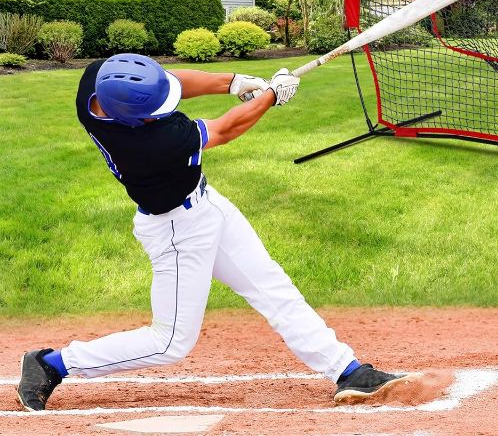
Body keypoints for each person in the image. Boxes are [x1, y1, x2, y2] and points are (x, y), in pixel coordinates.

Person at [16, 53, 417, 411]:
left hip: (208, 206)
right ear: (136, 119)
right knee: (169, 342)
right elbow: (225, 130)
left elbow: (167, 78)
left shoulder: (100, 82)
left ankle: (346, 370)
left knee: (271, 286)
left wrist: (234, 81)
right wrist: (271, 98)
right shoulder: (154, 144)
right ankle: (51, 364)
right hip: (176, 229)